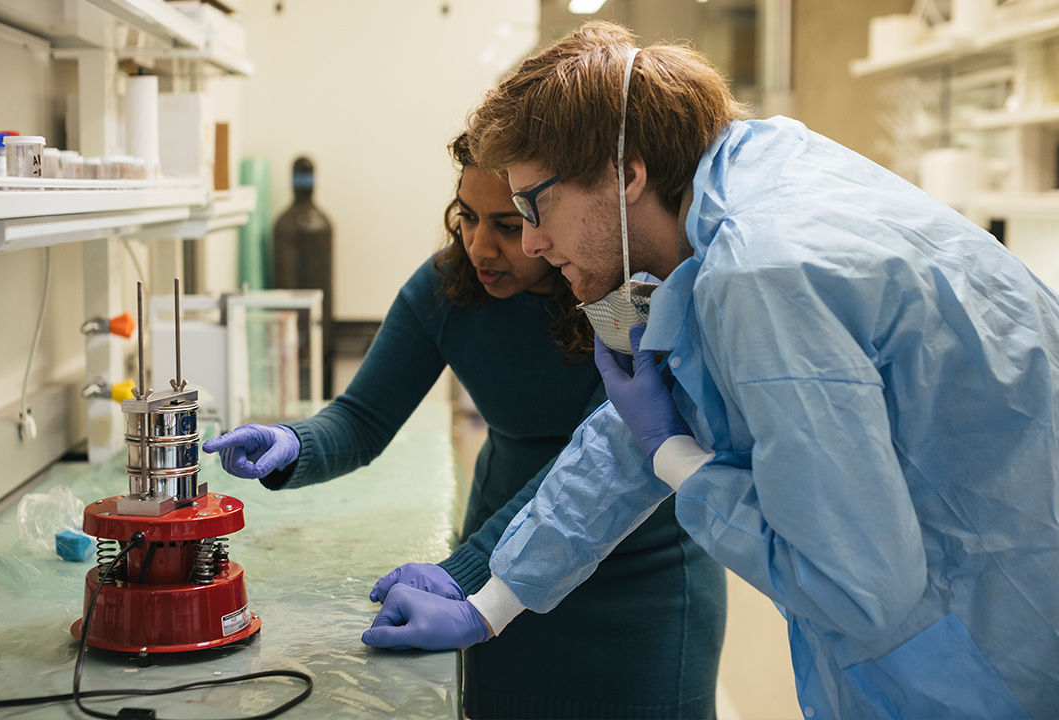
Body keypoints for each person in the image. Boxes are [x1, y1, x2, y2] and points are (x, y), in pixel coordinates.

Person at [366, 21, 1059, 720]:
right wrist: (489, 601)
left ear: (624, 173)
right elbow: (630, 431)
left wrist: (674, 456)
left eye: (535, 206)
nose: (536, 244)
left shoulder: (762, 272)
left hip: (999, 648)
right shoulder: (733, 187)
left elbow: (859, 590)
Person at [203, 133, 727, 719]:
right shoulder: (449, 287)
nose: (480, 246)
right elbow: (362, 417)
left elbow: (584, 473)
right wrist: (293, 443)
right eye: (468, 217)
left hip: (637, 594)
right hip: (499, 579)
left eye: (508, 225)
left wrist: (465, 576)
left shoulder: (624, 298)